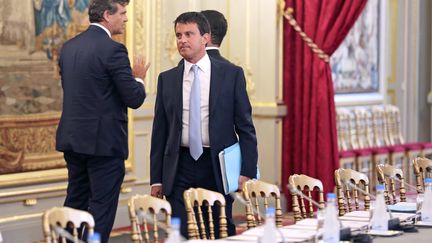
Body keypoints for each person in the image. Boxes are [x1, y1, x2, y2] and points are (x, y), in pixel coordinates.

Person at [150, 12, 258, 238]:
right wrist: (156, 179)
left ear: (205, 38)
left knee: (218, 230)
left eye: (189, 34)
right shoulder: (167, 79)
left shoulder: (231, 75)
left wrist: (247, 171)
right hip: (179, 165)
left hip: (216, 165)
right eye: (178, 35)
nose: (182, 40)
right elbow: (160, 133)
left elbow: (245, 128)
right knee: (181, 231)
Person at [56, 0, 149, 242]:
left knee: (75, 202)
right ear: (107, 15)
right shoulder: (113, 49)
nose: (126, 18)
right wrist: (138, 78)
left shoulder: (68, 47)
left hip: (73, 140)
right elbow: (134, 98)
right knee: (101, 209)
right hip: (103, 145)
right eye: (123, 13)